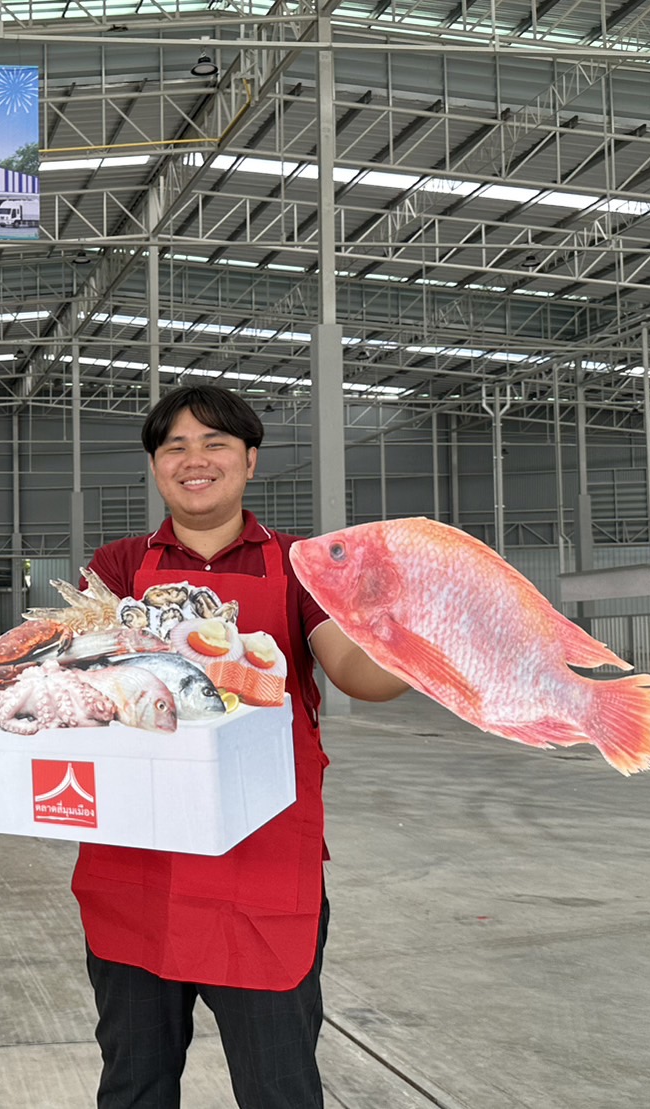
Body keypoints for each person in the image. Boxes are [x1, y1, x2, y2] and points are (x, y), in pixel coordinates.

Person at [76, 384, 409, 1109]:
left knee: (278, 1088)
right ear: (155, 466)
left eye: (215, 443)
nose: (193, 459)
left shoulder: (300, 565)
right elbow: (83, 680)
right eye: (174, 446)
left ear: (250, 459)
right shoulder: (118, 565)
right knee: (133, 1085)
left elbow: (354, 672)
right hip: (138, 859)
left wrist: (420, 643)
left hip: (262, 862)